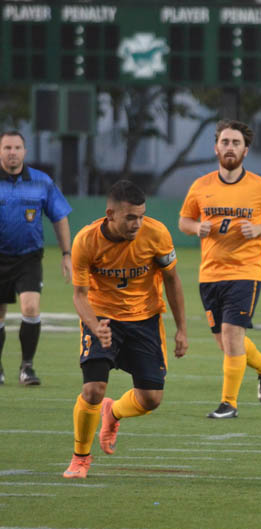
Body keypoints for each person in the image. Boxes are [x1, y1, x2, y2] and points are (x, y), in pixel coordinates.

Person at [63, 180, 188, 479]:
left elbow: (172, 280)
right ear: (110, 214)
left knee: (151, 399)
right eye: (130, 217)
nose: (137, 223)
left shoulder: (156, 234)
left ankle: (114, 412)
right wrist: (95, 326)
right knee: (93, 389)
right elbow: (79, 295)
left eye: (141, 216)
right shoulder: (86, 241)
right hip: (102, 318)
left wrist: (182, 328)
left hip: (145, 319)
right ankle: (80, 458)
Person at [178, 119, 261, 419]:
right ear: (216, 147)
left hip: (246, 272)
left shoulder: (259, 186)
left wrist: (259, 229)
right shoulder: (201, 186)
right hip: (210, 275)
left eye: (236, 143)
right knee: (227, 342)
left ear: (246, 150)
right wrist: (195, 227)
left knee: (231, 335)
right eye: (225, 142)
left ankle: (229, 404)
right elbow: (184, 221)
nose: (230, 147)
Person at [0, 130, 73, 385]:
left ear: (25, 152)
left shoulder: (41, 182)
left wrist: (66, 254)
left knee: (30, 308)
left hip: (28, 258)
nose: (12, 152)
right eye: (7, 147)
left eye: (17, 148)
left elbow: (59, 216)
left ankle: (26, 367)